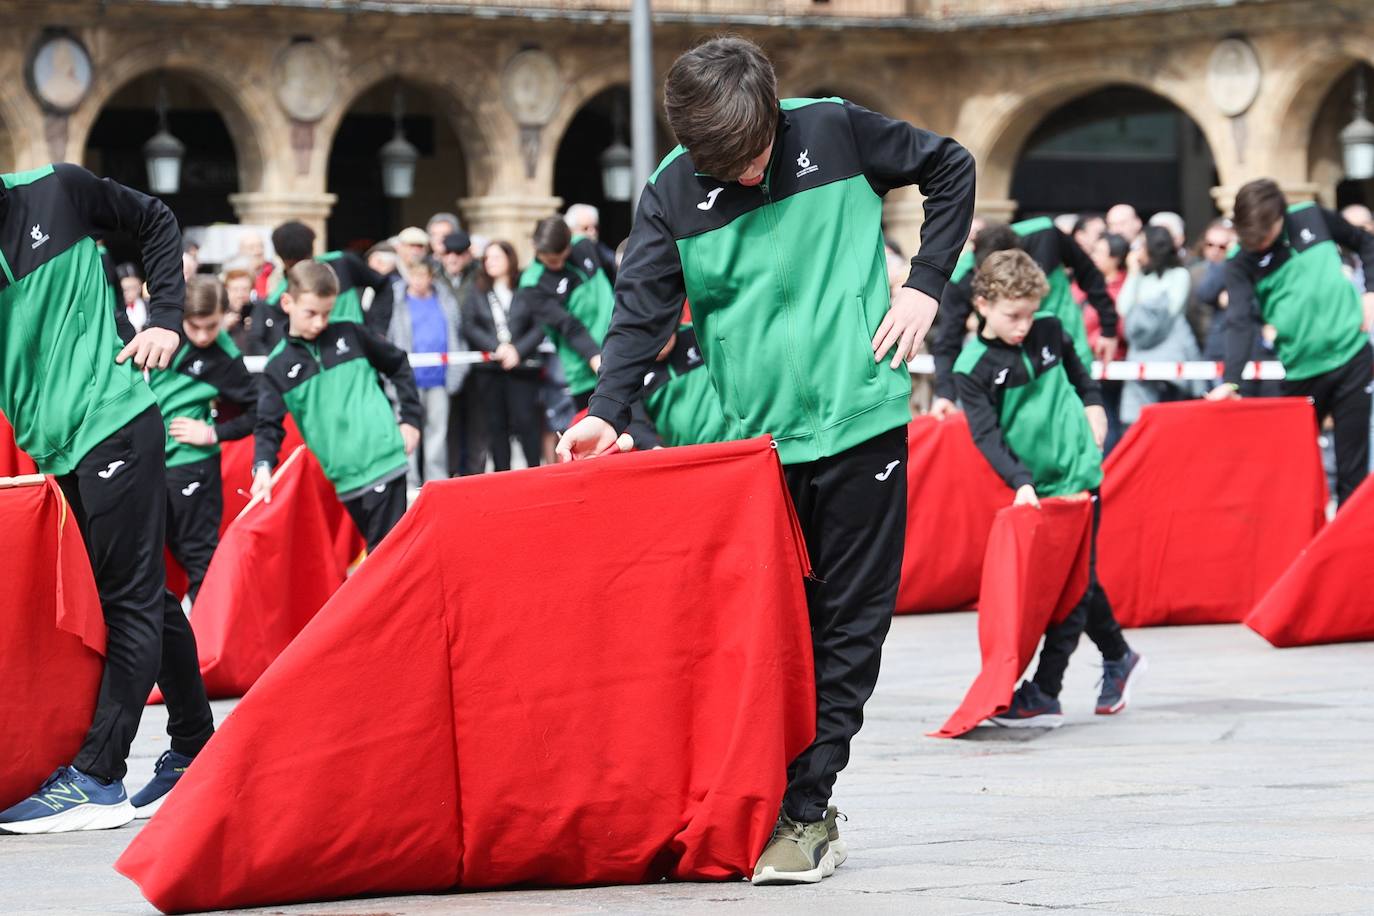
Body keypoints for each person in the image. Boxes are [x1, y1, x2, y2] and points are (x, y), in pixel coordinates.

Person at [556, 37, 975, 884]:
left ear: (773, 116)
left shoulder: (835, 129)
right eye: (726, 167)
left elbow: (952, 166)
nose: (746, 178)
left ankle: (809, 808)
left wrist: (927, 280)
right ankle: (760, 787)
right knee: (775, 631)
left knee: (850, 624)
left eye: (754, 158)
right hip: (758, 442)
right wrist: (606, 412)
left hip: (863, 420)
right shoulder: (672, 191)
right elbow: (641, 311)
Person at [0, 164, 214, 834]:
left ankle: (98, 775)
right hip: (58, 443)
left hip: (115, 417)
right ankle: (194, 745)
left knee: (126, 600)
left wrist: (167, 318)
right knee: (141, 595)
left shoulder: (55, 189)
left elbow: (155, 219)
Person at [953, 249, 1144, 729]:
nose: (1024, 325)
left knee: (1074, 586)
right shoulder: (971, 368)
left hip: (1079, 474)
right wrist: (1019, 482)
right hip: (1034, 489)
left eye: (1030, 313)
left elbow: (1082, 377)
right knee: (1074, 582)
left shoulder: (1051, 329)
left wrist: (1095, 406)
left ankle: (1046, 690)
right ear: (982, 304)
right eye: (1013, 316)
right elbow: (986, 436)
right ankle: (1118, 655)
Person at [1208, 178, 1374, 506]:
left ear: (1280, 218)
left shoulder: (1312, 217)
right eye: (1248, 237)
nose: (1256, 244)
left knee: (1352, 472)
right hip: (1302, 371)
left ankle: (1351, 554)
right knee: (1292, 469)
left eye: (1262, 237)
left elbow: (1365, 243)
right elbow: (1239, 323)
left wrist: (1370, 292)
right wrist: (1231, 382)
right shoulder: (1240, 261)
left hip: (1353, 357)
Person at [252, 261, 422, 552]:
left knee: (388, 557)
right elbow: (268, 425)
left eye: (327, 313)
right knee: (380, 557)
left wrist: (410, 419)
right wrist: (263, 466)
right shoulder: (277, 366)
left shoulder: (351, 333)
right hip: (343, 477)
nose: (320, 322)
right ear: (287, 302)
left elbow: (398, 364)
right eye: (311, 313)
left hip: (384, 461)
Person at [929, 218, 1119, 418]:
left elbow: (1088, 273)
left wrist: (1109, 328)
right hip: (1010, 366)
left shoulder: (1046, 234)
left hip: (1066, 346)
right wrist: (945, 394)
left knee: (1077, 414)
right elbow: (947, 340)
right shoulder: (961, 278)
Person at [147, 276, 257, 604]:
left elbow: (257, 413)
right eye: (194, 327)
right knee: (157, 551)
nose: (203, 335)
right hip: (149, 462)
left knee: (199, 556)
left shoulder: (226, 358)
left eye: (211, 326)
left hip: (192, 466)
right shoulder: (163, 333)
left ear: (225, 313)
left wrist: (212, 433)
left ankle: (208, 644)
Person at [460, 240, 547, 470]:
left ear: (510, 259)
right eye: (487, 258)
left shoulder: (525, 287)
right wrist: (495, 347)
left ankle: (534, 472)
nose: (490, 263)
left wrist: (518, 350)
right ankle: (502, 475)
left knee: (527, 422)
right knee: (495, 425)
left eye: (496, 257)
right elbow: (469, 324)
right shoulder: (477, 289)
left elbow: (540, 325)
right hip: (490, 369)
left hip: (523, 367)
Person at [251, 221, 393, 353]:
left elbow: (383, 285)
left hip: (358, 353)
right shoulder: (279, 298)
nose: (319, 323)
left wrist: (378, 331)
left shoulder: (343, 263)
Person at [387, 258, 466, 489]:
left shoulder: (444, 300)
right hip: (408, 380)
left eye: (424, 276)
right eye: (414, 275)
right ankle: (409, 482)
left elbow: (456, 335)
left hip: (439, 377)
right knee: (408, 432)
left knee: (437, 434)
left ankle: (436, 481)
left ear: (431, 277)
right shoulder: (397, 301)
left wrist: (457, 372)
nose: (419, 281)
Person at [517, 217, 608, 412]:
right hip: (586, 370)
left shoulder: (584, 245)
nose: (557, 265)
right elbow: (568, 325)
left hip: (621, 346)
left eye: (560, 257)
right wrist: (595, 357)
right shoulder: (531, 283)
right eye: (550, 260)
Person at [1116, 225, 1201, 425]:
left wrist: (1142, 305)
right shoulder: (1142, 277)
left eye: (1140, 245)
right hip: (1143, 359)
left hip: (1171, 358)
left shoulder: (1179, 275)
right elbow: (1122, 307)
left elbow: (1171, 311)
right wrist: (1133, 274)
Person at [564, 202, 618, 283]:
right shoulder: (563, 256)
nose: (592, 232)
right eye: (585, 228)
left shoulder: (601, 252)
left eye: (595, 227)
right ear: (570, 230)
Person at [117, 262, 148, 332]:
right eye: (125, 289)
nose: (130, 293)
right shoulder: (116, 311)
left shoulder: (150, 306)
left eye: (134, 288)